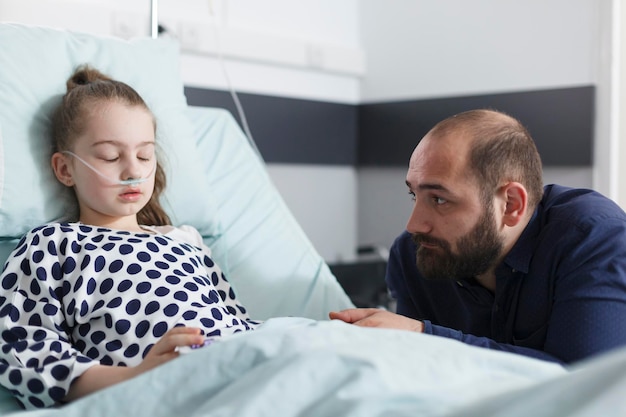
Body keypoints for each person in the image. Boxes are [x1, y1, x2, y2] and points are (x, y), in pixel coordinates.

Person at [0, 65, 258, 409]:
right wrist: (139, 375)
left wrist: (328, 332)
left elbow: (239, 323)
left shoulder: (186, 242)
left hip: (246, 371)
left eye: (144, 155)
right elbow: (25, 350)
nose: (134, 170)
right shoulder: (52, 246)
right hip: (167, 396)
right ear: (65, 169)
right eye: (110, 156)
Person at [330, 109, 626, 365]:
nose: (414, 225)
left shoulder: (594, 239)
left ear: (511, 204)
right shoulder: (413, 257)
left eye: (439, 200)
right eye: (413, 194)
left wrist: (424, 336)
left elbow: (583, 386)